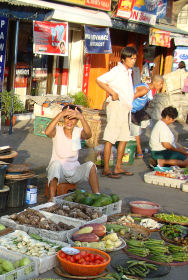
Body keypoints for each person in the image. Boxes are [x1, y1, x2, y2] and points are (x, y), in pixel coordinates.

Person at [96, 46, 137, 179]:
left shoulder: (128, 72)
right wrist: (112, 92)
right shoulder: (117, 70)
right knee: (110, 137)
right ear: (124, 59)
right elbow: (100, 80)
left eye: (135, 58)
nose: (133, 61)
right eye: (131, 59)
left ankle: (118, 167)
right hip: (116, 106)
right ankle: (107, 169)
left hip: (125, 107)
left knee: (124, 137)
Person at [44, 104, 99, 202]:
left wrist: (81, 118)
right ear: (63, 119)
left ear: (77, 120)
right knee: (55, 164)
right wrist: (61, 114)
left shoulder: (78, 131)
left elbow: (88, 134)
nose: (69, 122)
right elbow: (47, 132)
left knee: (91, 166)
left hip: (74, 172)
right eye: (67, 118)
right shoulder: (57, 130)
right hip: (58, 173)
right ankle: (52, 197)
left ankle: (97, 195)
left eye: (73, 119)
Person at [130, 75, 164, 158]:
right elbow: (131, 98)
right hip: (132, 111)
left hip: (139, 110)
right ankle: (139, 151)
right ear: (155, 82)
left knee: (147, 120)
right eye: (161, 83)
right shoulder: (145, 89)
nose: (161, 86)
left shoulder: (149, 89)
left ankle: (134, 140)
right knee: (136, 131)